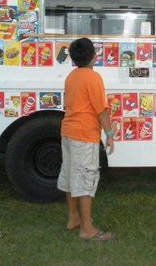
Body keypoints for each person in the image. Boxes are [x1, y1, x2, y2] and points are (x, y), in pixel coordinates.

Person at [58, 37, 115, 241]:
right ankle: (87, 229)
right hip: (84, 135)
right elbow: (101, 110)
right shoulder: (93, 78)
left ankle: (73, 218)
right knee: (86, 180)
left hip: (68, 132)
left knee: (71, 175)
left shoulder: (71, 76)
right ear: (93, 56)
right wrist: (109, 135)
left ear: (73, 58)